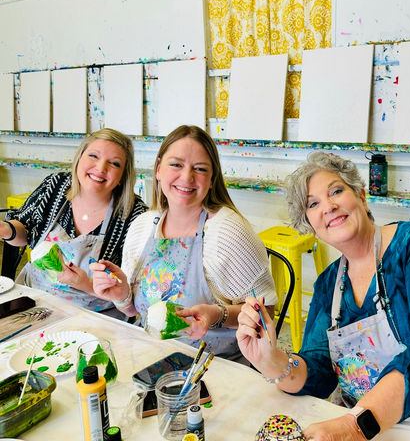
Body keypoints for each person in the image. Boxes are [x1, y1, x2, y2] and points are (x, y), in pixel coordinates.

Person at [237, 151, 410, 440]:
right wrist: (274, 361)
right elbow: (317, 372)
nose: (328, 206)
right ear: (311, 226)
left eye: (336, 191)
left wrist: (355, 426)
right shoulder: (329, 284)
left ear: (362, 197)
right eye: (313, 204)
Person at [91, 125, 277, 358]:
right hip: (150, 354)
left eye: (199, 169)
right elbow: (135, 311)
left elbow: (265, 312)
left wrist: (216, 315)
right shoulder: (143, 226)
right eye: (176, 165)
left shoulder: (226, 231)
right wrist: (121, 294)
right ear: (158, 170)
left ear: (211, 180)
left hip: (213, 365)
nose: (187, 177)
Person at [1, 128, 148, 315]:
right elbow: (26, 232)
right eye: (93, 156)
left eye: (114, 164)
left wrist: (85, 284)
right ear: (79, 158)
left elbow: (132, 297)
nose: (101, 168)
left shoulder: (135, 216)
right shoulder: (56, 186)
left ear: (122, 177)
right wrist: (6, 230)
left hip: (94, 316)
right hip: (33, 300)